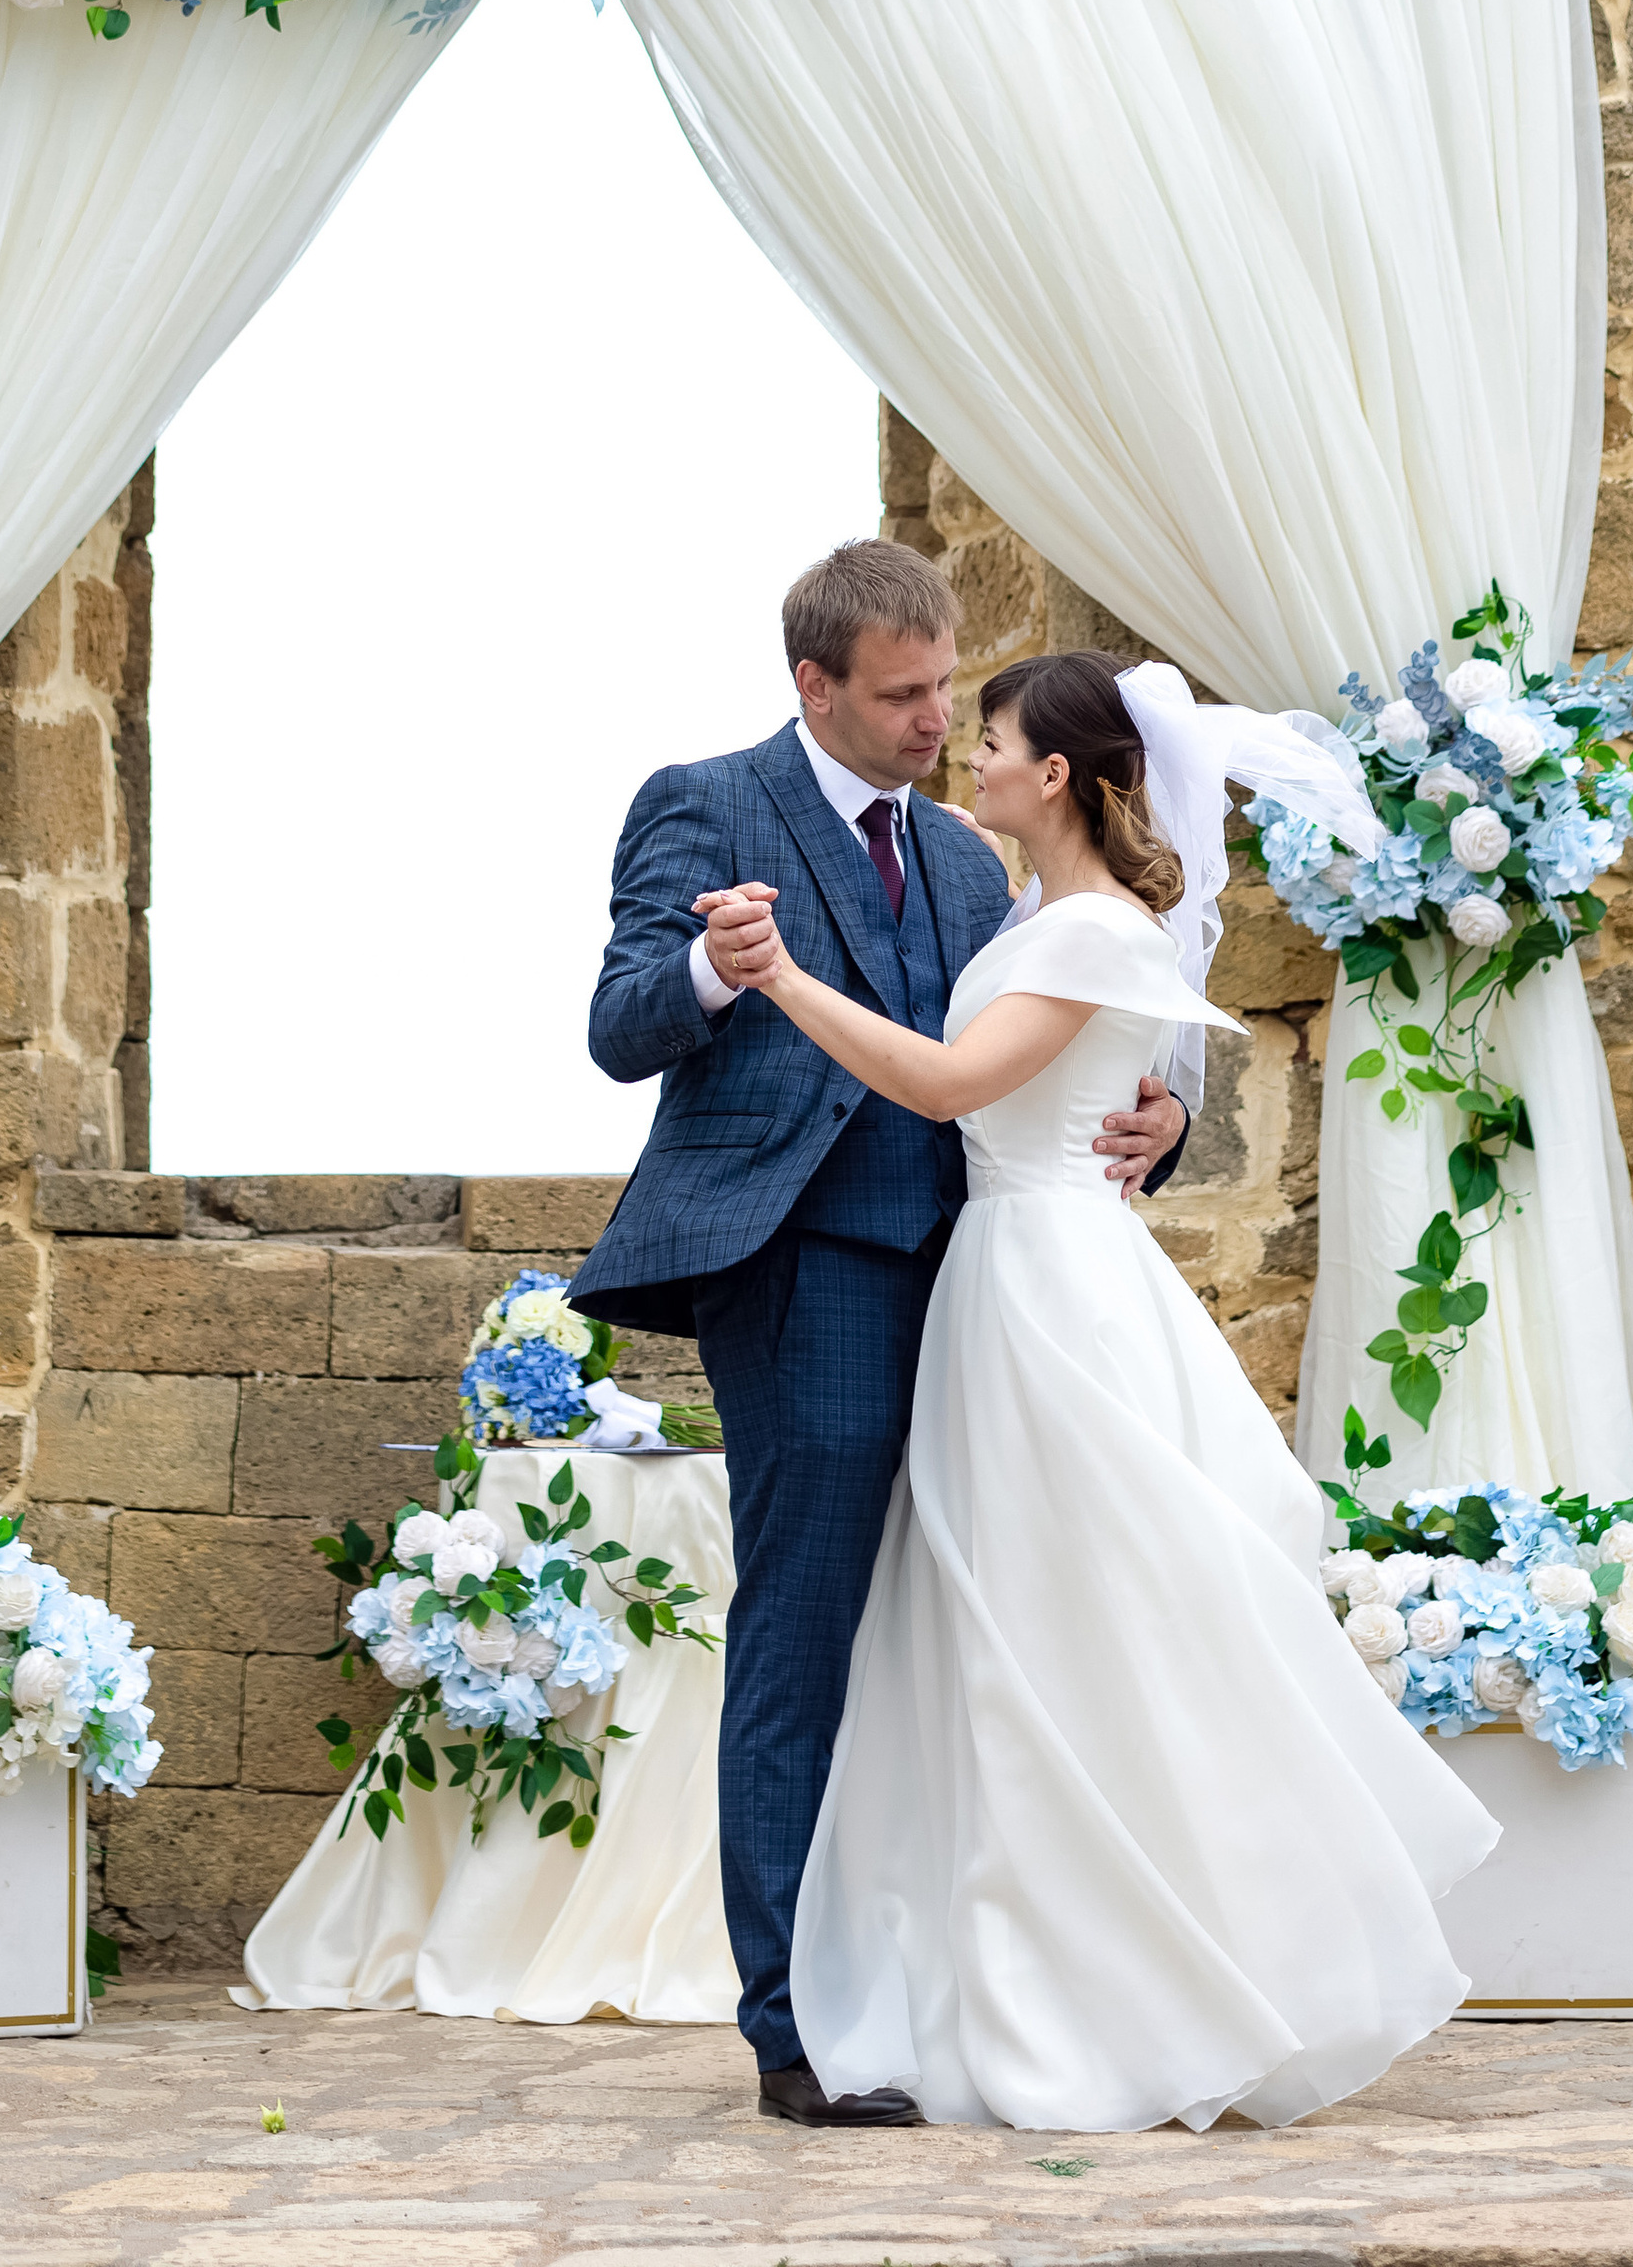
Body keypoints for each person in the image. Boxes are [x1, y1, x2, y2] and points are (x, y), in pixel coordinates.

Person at [710, 648, 1499, 2137]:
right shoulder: (1032, 912)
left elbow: (951, 1088)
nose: (970, 753)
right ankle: (1030, 1968)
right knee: (1015, 1635)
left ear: (1057, 772)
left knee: (1081, 1629)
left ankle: (1132, 1989)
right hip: (1002, 1278)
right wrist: (1158, 1103)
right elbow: (1084, 1074)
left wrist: (787, 981)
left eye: (992, 733)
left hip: (1053, 1290)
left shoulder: (1095, 930)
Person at [571, 545, 1192, 2128]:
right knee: (811, 1629)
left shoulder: (975, 859)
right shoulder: (703, 801)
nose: (935, 721)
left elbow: (1024, 1049)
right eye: (904, 695)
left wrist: (1155, 1118)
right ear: (815, 687)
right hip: (804, 1265)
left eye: (945, 690)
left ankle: (954, 1986)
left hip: (989, 1271)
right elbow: (618, 1018)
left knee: (969, 1630)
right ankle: (796, 2029)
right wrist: (716, 967)